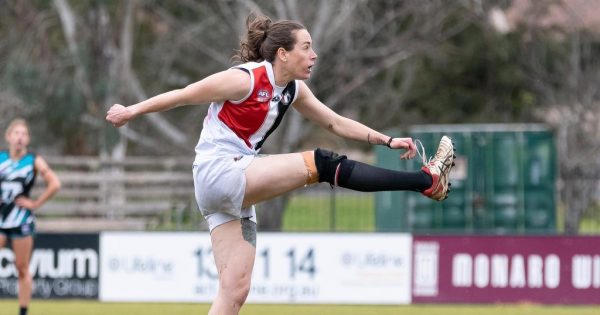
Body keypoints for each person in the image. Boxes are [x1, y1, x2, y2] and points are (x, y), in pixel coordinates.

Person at [106, 12, 455, 315]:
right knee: (320, 162)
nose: (314, 55)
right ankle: (425, 182)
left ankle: (425, 182)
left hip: (230, 186)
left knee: (235, 291)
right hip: (220, 172)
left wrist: (387, 140)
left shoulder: (292, 90)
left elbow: (334, 122)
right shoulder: (245, 79)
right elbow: (184, 94)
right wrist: (131, 111)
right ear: (283, 54)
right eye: (306, 47)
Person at [0, 118, 61, 315]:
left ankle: (23, 312)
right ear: (8, 137)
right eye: (16, 133)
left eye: (24, 134)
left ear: (28, 139)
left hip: (22, 220)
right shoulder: (1, 158)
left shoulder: (34, 160)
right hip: (1, 219)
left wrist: (35, 204)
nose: (20, 137)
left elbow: (55, 184)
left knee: (22, 268)